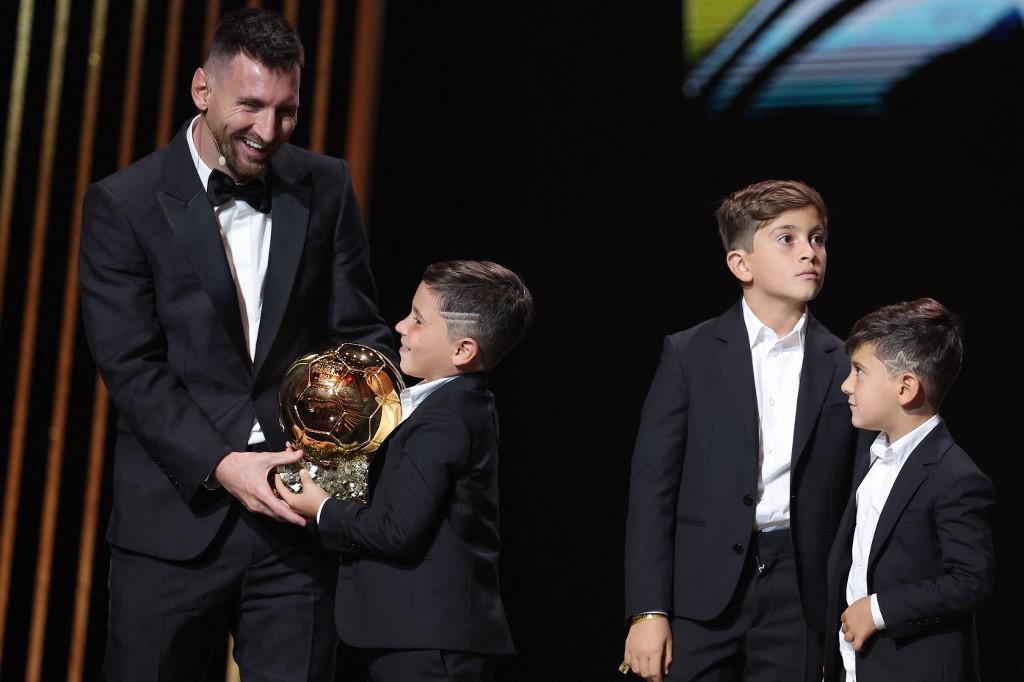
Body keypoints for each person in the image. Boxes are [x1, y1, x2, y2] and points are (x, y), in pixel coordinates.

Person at [78, 8, 392, 681]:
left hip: (296, 526)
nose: (268, 130)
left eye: (286, 111)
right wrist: (222, 463)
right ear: (202, 89)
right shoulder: (123, 202)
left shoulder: (326, 184)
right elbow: (132, 368)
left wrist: (334, 469)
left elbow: (359, 336)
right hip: (174, 526)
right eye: (250, 105)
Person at [622, 180, 860, 681]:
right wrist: (648, 610)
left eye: (817, 239)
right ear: (741, 264)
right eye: (787, 238)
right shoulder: (689, 354)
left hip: (800, 592)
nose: (809, 253)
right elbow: (652, 489)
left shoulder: (845, 362)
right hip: (701, 590)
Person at [276, 260, 531, 681]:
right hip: (416, 636)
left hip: (430, 643)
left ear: (463, 350)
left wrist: (321, 508)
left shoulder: (447, 420)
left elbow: (396, 530)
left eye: (417, 320)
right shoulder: (446, 406)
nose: (399, 326)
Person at [824, 298, 994, 681]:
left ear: (905, 387)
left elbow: (971, 580)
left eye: (859, 371)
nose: (846, 385)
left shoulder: (955, 476)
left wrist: (880, 610)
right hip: (855, 667)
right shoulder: (872, 454)